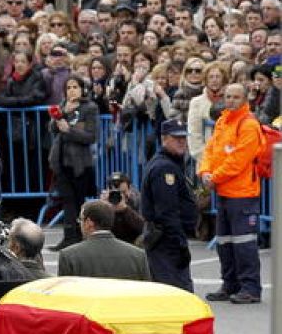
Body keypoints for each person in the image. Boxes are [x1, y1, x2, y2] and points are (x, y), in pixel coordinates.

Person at [199, 84, 264, 304]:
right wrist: (205, 171)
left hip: (243, 193)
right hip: (224, 192)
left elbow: (238, 161)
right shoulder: (222, 121)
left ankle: (250, 288)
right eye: (228, 96)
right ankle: (230, 284)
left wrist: (212, 177)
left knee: (244, 243)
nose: (231, 100)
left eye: (236, 97)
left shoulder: (249, 125)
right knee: (225, 242)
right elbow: (210, 150)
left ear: (245, 99)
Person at [141, 118, 198, 292]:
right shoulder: (164, 169)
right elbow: (167, 212)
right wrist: (179, 244)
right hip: (166, 242)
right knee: (177, 293)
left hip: (166, 239)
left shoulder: (171, 163)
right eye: (176, 138)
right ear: (164, 139)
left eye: (183, 138)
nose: (182, 142)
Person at [48, 74, 99, 250]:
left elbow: (91, 136)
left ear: (82, 89)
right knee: (67, 200)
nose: (71, 91)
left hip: (80, 163)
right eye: (68, 88)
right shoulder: (64, 106)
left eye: (75, 87)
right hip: (61, 160)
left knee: (79, 201)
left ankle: (81, 237)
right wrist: (63, 113)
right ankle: (69, 237)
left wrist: (69, 130)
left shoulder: (90, 108)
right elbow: (52, 128)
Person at [58, 200, 150, 279]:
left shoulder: (68, 256)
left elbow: (64, 294)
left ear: (89, 223)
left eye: (80, 220)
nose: (80, 224)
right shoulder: (138, 255)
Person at [100, 171, 144, 245]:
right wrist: (103, 208)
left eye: (123, 192)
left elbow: (143, 228)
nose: (120, 196)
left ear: (130, 189)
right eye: (115, 193)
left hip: (133, 244)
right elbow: (97, 231)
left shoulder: (138, 201)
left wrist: (126, 210)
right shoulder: (104, 202)